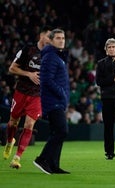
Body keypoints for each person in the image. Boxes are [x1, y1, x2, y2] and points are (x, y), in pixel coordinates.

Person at [3, 26, 51, 169]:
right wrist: (29, 74)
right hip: (21, 92)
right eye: (48, 36)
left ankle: (17, 158)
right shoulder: (27, 50)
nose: (50, 39)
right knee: (12, 122)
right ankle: (9, 141)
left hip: (37, 95)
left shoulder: (52, 55)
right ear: (41, 35)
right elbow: (12, 69)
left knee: (29, 124)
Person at [33, 28, 70, 174]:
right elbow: (46, 80)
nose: (61, 40)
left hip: (57, 101)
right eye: (58, 38)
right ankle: (42, 159)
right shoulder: (50, 56)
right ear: (52, 40)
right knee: (62, 131)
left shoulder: (56, 56)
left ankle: (54, 165)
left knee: (57, 131)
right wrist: (61, 93)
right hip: (53, 101)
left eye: (63, 38)